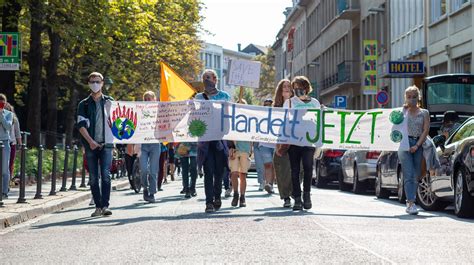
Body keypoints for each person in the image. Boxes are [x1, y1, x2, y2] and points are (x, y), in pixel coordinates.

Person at [76, 72, 114, 217]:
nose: (95, 84)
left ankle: (105, 206)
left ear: (102, 83)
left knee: (105, 175)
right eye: (92, 81)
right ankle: (97, 206)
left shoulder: (110, 101)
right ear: (88, 83)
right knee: (93, 177)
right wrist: (90, 142)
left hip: (107, 145)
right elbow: (80, 125)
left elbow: (117, 122)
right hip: (90, 145)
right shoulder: (84, 104)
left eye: (97, 81)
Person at [195, 69, 231, 213]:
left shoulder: (224, 96)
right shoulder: (199, 97)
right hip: (205, 141)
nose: (206, 80)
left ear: (215, 80)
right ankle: (209, 202)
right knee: (208, 170)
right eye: (204, 78)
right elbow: (195, 116)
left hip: (220, 140)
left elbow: (229, 116)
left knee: (219, 171)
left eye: (209, 78)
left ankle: (217, 196)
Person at [284, 76, 321, 211]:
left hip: (309, 140)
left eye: (300, 87)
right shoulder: (289, 102)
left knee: (308, 168)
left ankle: (307, 195)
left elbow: (319, 120)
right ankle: (297, 198)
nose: (297, 90)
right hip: (294, 140)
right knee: (294, 170)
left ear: (306, 88)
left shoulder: (315, 102)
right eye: (295, 88)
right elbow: (284, 119)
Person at [398, 85, 430, 215]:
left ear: (418, 97)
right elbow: (394, 127)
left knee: (417, 174)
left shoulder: (424, 113)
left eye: (414, 97)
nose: (412, 99)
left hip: (418, 143)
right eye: (409, 97)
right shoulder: (401, 112)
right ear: (405, 98)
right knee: (409, 173)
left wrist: (417, 145)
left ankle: (412, 200)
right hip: (404, 144)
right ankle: (411, 202)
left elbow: (426, 130)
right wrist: (402, 112)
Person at [273, 79, 294, 208]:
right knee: (282, 169)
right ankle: (286, 196)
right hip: (281, 142)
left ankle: (295, 191)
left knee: (298, 168)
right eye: (284, 86)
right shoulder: (275, 108)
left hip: (296, 141)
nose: (286, 88)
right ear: (280, 90)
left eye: (289, 86)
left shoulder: (297, 104)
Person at [229, 99, 252, 207]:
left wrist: (251, 148)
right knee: (234, 173)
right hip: (234, 149)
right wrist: (230, 147)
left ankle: (242, 196)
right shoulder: (231, 119)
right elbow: (227, 133)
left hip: (245, 149)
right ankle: (235, 194)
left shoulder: (249, 119)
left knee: (243, 174)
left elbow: (253, 134)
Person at [139, 91, 161, 203]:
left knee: (153, 170)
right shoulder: (139, 111)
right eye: (145, 98)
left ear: (154, 99)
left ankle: (151, 193)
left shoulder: (159, 111)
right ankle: (145, 188)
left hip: (155, 144)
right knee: (143, 169)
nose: (147, 100)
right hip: (143, 144)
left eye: (149, 98)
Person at [4, 103, 21, 182]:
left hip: (11, 143)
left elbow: (17, 133)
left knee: (10, 163)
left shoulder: (14, 119)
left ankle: (8, 182)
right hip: (2, 143)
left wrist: (20, 145)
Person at [0, 94, 13, 199]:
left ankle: (4, 192)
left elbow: (8, 127)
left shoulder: (8, 114)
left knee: (4, 168)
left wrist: (1, 115)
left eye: (2, 102)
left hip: (4, 142)